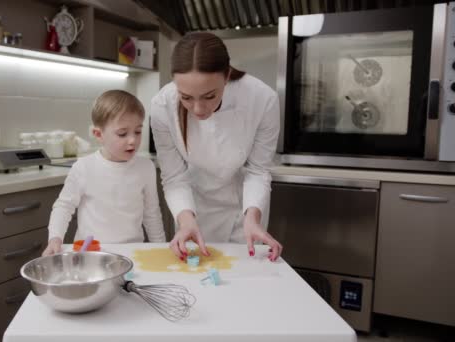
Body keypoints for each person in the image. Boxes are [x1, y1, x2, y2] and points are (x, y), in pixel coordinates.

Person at [150, 32, 283, 262]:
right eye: (186, 98)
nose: (199, 109)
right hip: (193, 209)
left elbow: (258, 171)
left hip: (246, 210)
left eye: (209, 96)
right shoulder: (162, 106)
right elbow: (173, 177)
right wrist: (185, 220)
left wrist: (252, 218)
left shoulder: (262, 99)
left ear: (227, 75)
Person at [42, 90, 166, 256]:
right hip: (91, 254)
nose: (133, 140)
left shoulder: (146, 167)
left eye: (137, 131)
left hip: (132, 253)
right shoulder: (84, 168)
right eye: (122, 133)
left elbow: (152, 213)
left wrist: (161, 248)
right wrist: (55, 238)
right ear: (98, 134)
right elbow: (64, 206)